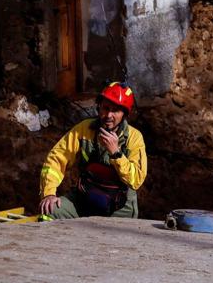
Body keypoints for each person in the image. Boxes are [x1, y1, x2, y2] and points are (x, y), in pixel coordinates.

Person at [38, 82, 148, 220]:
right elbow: (56, 159)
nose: (108, 115)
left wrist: (116, 153)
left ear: (124, 114)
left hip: (119, 208)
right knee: (49, 212)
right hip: (85, 198)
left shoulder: (134, 137)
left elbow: (136, 180)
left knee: (117, 239)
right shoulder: (84, 129)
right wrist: (49, 194)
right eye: (105, 108)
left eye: (115, 111)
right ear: (99, 106)